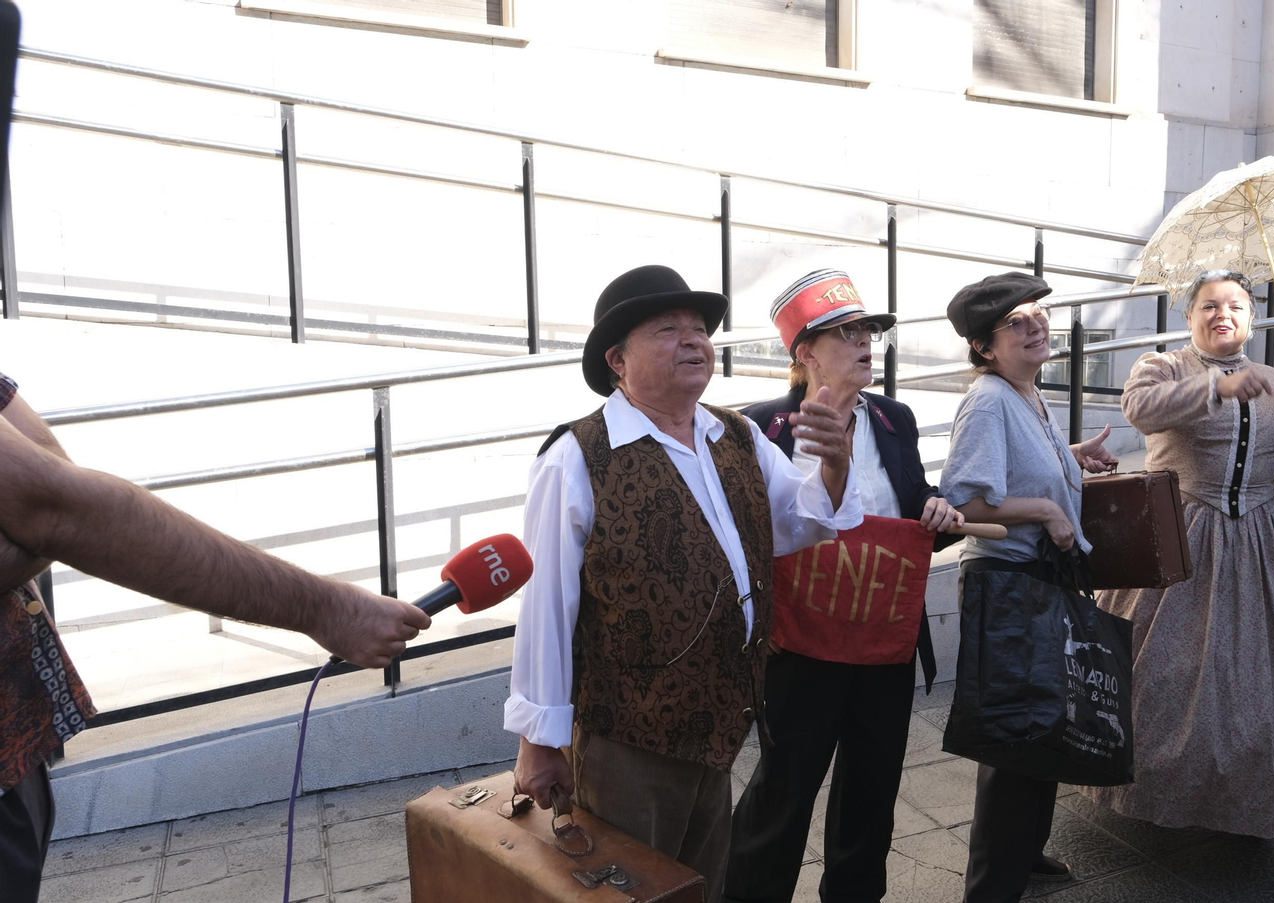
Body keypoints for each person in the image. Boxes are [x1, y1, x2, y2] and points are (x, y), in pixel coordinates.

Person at [0, 371, 432, 902]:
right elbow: (57, 506)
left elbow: (54, 486)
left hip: (16, 750)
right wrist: (328, 609)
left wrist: (45, 515)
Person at [505, 265, 863, 902]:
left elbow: (804, 518)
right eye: (669, 330)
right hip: (628, 737)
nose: (694, 340)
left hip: (721, 722)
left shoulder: (736, 435)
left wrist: (834, 462)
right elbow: (547, 607)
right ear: (618, 359)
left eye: (700, 329)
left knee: (699, 885)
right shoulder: (577, 456)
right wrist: (540, 741)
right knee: (627, 890)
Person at [724, 270, 964, 903]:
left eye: (870, 332)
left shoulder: (893, 418)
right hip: (800, 646)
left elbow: (912, 507)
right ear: (804, 353)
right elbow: (748, 536)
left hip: (884, 640)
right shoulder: (761, 429)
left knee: (872, 790)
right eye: (846, 333)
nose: (866, 343)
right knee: (784, 790)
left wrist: (937, 510)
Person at [1079, 270, 1274, 838]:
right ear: (1189, 316)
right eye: (1209, 306)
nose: (1223, 314)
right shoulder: (1162, 365)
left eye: (1236, 306)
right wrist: (1212, 388)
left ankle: (1251, 795)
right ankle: (1153, 788)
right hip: (1177, 533)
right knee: (1166, 671)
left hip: (1262, 540)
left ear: (1252, 316)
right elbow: (1140, 409)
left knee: (1272, 675)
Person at [938, 272, 1117, 903]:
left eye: (1037, 313)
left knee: (1047, 721)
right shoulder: (988, 399)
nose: (1035, 324)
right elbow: (968, 499)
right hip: (1009, 584)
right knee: (1016, 736)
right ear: (985, 346)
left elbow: (1015, 463)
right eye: (1015, 322)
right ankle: (992, 886)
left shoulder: (1025, 394)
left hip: (1039, 581)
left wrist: (1071, 457)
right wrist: (1045, 509)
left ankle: (1025, 851)